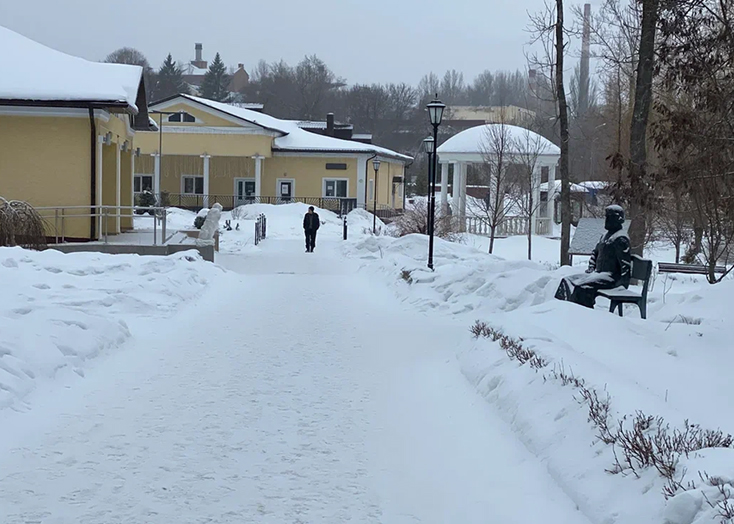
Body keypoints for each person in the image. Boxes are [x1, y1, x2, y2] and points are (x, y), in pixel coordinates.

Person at [555, 205, 632, 308]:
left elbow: (625, 265)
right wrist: (591, 268)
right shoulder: (604, 236)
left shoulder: (621, 238)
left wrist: (622, 285)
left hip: (611, 278)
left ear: (618, 219)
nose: (606, 219)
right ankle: (559, 309)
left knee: (582, 287)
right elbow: (594, 253)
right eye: (606, 216)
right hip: (597, 274)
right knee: (567, 281)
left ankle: (582, 314)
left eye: (610, 217)